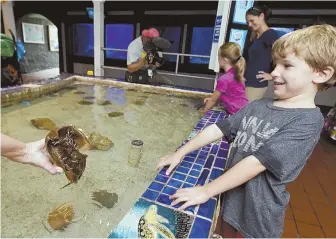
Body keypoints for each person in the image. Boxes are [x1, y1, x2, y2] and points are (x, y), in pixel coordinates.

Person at [156, 24, 336, 238]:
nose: (275, 72)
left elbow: (257, 162)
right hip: (229, 203)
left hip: (256, 220)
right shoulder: (257, 106)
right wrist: (180, 152)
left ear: (321, 74)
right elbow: (219, 128)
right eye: (275, 64)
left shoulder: (307, 121)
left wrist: (207, 190)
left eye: (287, 65)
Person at [244, 5, 280, 101]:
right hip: (248, 81)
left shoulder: (270, 34)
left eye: (252, 20)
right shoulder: (255, 36)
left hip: (256, 83)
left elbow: (282, 57)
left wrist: (272, 75)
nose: (249, 25)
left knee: (246, 112)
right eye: (248, 22)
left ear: (261, 16)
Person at [203, 42, 248, 115]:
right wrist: (210, 100)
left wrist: (204, 111)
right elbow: (230, 94)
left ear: (225, 60)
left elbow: (213, 100)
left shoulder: (224, 79)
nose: (217, 59)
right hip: (244, 109)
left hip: (236, 113)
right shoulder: (237, 73)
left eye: (218, 57)